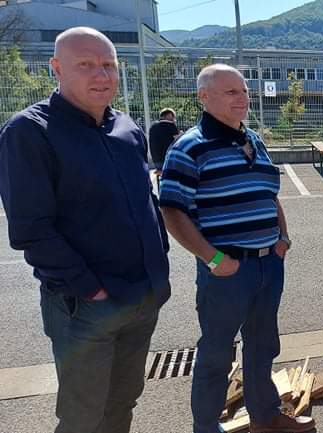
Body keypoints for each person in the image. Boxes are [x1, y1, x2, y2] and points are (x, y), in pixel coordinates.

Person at [0, 27, 170, 433]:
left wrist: (159, 270)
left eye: (108, 64)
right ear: (56, 68)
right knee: (82, 418)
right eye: (86, 65)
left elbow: (145, 201)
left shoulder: (127, 128)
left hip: (143, 297)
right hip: (87, 307)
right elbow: (31, 230)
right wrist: (90, 289)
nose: (101, 75)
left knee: (123, 401)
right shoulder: (29, 132)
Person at [159, 64, 313, 433]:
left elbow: (268, 194)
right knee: (216, 353)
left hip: (267, 265)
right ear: (204, 96)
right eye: (230, 92)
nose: (241, 98)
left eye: (243, 91)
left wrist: (283, 238)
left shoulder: (254, 140)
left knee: (263, 346)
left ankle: (265, 416)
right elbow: (172, 210)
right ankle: (206, 427)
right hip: (226, 270)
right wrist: (212, 259)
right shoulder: (188, 147)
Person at [148, 107, 180, 177]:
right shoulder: (171, 125)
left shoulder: (153, 126)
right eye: (173, 116)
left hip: (156, 161)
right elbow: (178, 142)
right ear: (169, 115)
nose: (174, 119)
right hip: (169, 160)